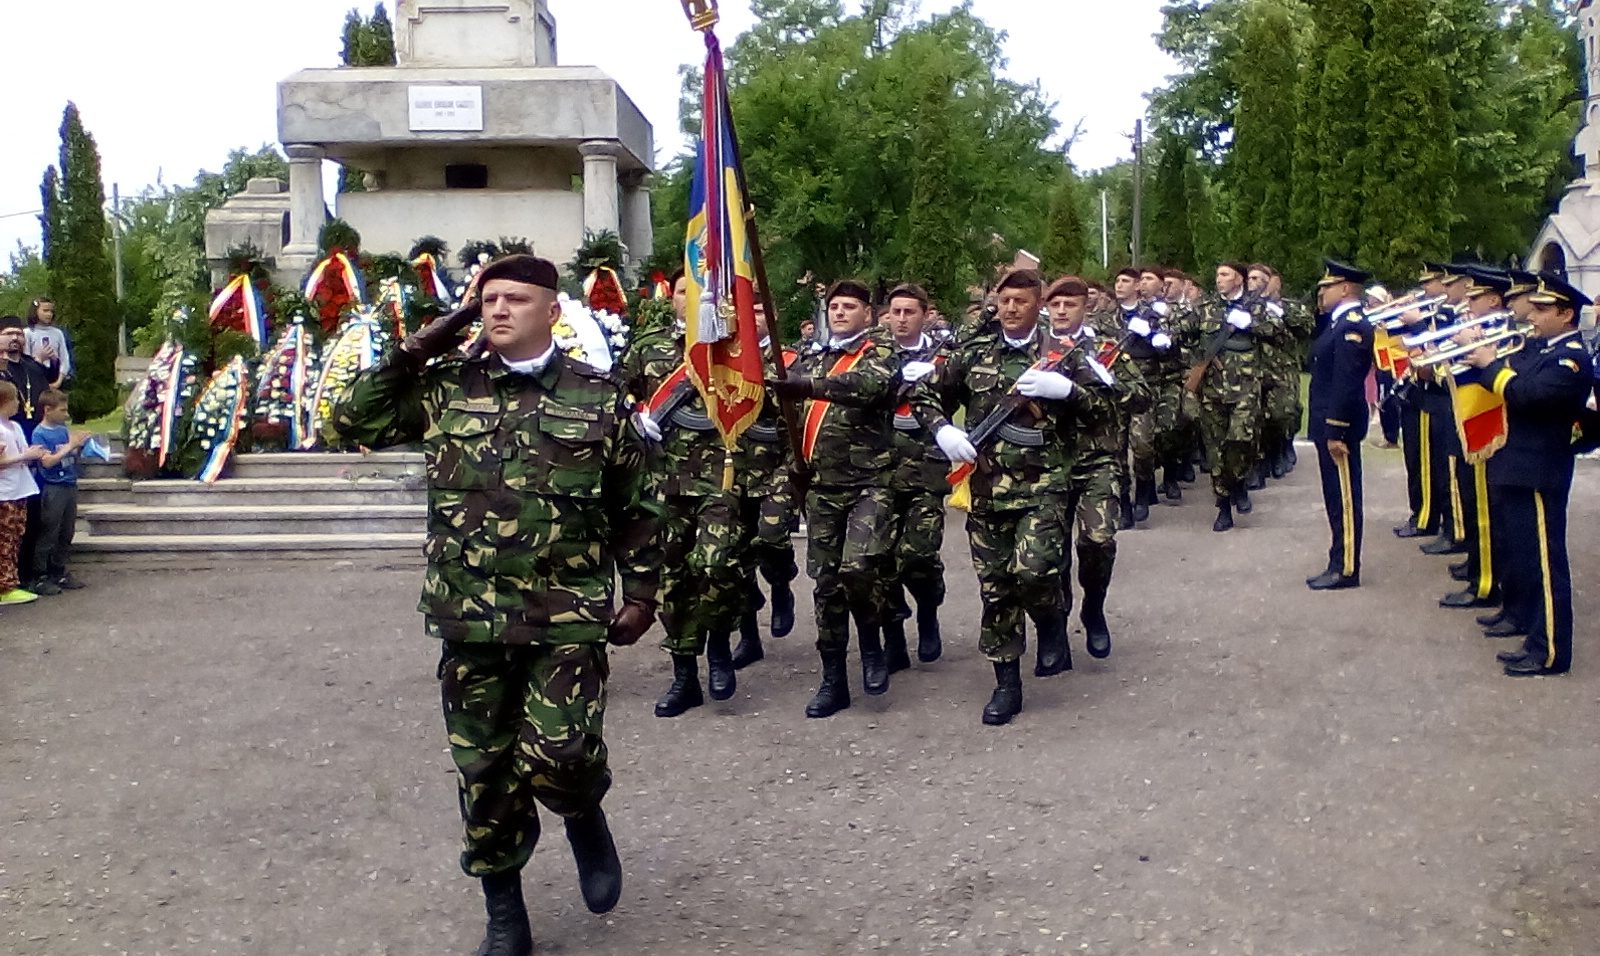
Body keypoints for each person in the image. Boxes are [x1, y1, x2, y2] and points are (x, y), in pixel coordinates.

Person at [332, 254, 661, 956]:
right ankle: (505, 910)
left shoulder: (597, 396)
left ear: (552, 308)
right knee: (483, 771)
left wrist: (642, 593)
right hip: (470, 613)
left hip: (565, 613)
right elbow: (347, 420)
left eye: (515, 299)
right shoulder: (447, 388)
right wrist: (425, 341)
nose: (498, 310)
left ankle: (580, 806)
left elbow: (637, 504)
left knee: (561, 750)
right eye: (487, 300)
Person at [909, 268, 1108, 725]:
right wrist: (942, 430)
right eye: (1005, 301)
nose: (1012, 309)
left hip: (1044, 486)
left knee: (1035, 570)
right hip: (985, 489)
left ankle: (1052, 619)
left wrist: (1071, 391)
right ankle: (1007, 682)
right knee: (996, 588)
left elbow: (1107, 408)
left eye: (1022, 301)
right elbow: (923, 394)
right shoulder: (974, 351)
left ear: (1039, 305)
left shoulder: (1063, 354)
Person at [621, 270, 751, 716]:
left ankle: (718, 644)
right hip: (664, 482)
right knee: (673, 581)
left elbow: (763, 402)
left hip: (721, 477)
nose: (689, 300)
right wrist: (638, 418)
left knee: (714, 566)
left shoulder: (734, 348)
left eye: (697, 293)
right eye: (682, 292)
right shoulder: (649, 347)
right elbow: (619, 396)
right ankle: (684, 675)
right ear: (672, 298)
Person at [771, 280, 899, 718]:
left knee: (859, 567)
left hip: (870, 483)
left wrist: (806, 386)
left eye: (850, 307)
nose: (840, 313)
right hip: (821, 487)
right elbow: (793, 422)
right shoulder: (812, 356)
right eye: (835, 307)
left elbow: (869, 388)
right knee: (826, 585)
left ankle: (872, 641)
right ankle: (833, 680)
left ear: (868, 313)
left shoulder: (881, 351)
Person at [1462, 274, 1592, 676]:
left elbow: (1527, 395)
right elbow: (1507, 378)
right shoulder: (1538, 347)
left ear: (1566, 314)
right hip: (1515, 463)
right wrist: (1480, 352)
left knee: (1545, 564)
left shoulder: (1570, 357)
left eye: (1541, 309)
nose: (1531, 315)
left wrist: (1489, 363)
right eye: (1531, 307)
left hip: (1539, 469)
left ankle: (1550, 649)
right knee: (1521, 556)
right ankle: (1527, 626)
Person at [1046, 275, 1149, 657]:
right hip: (1046, 463)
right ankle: (1056, 624)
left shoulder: (1106, 349)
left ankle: (1093, 605)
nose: (1060, 311)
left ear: (1085, 308)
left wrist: (1107, 382)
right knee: (1049, 553)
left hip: (1097, 461)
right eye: (1054, 304)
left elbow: (1141, 396)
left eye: (1069, 304)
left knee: (1099, 542)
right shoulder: (1034, 349)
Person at [879, 283, 950, 668]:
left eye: (910, 312)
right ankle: (893, 634)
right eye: (896, 312)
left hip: (925, 468)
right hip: (879, 469)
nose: (901, 319)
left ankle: (927, 610)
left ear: (925, 315)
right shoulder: (873, 356)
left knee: (918, 553)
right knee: (878, 556)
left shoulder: (942, 358)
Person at [1185, 262, 1285, 531]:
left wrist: (1253, 324)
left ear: (1239, 279)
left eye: (1225, 275)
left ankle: (1238, 480)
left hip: (1246, 387)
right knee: (1216, 450)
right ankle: (1224, 506)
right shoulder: (1206, 308)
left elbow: (1277, 331)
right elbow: (1181, 330)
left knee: (1241, 440)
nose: (1218, 279)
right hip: (1212, 390)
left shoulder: (1256, 307)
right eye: (1217, 274)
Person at [729, 298, 800, 670]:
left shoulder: (787, 362)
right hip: (732, 469)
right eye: (746, 310)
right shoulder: (723, 362)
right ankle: (749, 636)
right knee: (733, 555)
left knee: (771, 535)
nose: (751, 318)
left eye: (758, 311)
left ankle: (781, 584)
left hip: (776, 468)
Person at [1305, 261, 1374, 591]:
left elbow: (1347, 382)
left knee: (1344, 498)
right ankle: (1338, 559)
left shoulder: (1352, 325)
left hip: (1339, 426)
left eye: (1327, 287)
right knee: (1334, 496)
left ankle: (1346, 567)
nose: (1321, 292)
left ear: (1346, 289)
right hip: (1327, 422)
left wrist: (1335, 429)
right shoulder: (1336, 322)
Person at [0, 314, 51, 586]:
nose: (15, 338)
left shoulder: (32, 368)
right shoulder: (1, 371)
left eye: (19, 333)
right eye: (8, 333)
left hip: (34, 442)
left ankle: (33, 574)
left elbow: (47, 398)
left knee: (33, 515)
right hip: (8, 447)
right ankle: (12, 579)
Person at [26, 388, 89, 594]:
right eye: (62, 410)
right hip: (53, 486)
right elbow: (47, 462)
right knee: (49, 530)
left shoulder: (62, 430)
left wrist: (79, 446)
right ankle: (40, 574)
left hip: (69, 483)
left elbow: (70, 455)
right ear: (47, 410)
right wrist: (68, 446)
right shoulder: (40, 433)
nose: (66, 414)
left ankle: (58, 570)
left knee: (67, 530)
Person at [0, 381, 43, 607]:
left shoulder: (15, 427)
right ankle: (3, 586)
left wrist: (31, 454)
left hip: (20, 489)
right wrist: (22, 457)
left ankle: (12, 581)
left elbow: (23, 453)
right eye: (15, 399)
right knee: (4, 540)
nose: (19, 403)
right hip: (4, 492)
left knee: (16, 537)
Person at [26, 298, 72, 389]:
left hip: (56, 378)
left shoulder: (58, 333)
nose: (49, 314)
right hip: (35, 378)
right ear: (35, 311)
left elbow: (64, 358)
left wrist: (58, 381)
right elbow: (26, 359)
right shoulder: (28, 333)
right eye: (45, 310)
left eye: (51, 311)